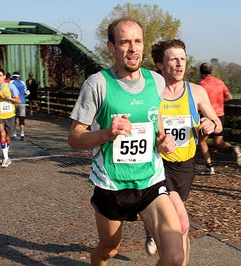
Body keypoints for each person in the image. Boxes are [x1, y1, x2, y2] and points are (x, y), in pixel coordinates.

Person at [67, 17, 184, 266]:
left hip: (151, 179)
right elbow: (75, 138)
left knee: (175, 258)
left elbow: (156, 122)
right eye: (124, 42)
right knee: (108, 249)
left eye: (138, 41)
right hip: (111, 183)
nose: (133, 48)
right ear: (111, 47)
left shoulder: (156, 81)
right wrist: (107, 134)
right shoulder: (97, 84)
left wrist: (164, 140)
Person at [141, 39, 222, 263]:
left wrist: (210, 124)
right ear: (159, 64)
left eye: (183, 59)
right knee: (182, 223)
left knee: (176, 219)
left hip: (186, 166)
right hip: (158, 165)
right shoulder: (151, 93)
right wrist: (157, 140)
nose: (179, 64)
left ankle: (154, 227)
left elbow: (218, 123)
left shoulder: (196, 92)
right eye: (173, 59)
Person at [197, 63, 241, 175]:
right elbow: (229, 96)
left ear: (201, 72)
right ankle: (233, 147)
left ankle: (209, 166)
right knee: (219, 143)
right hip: (220, 115)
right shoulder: (219, 82)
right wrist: (219, 102)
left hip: (207, 116)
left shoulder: (202, 84)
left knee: (202, 141)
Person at [10, 71, 29, 139]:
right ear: (19, 76)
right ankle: (22, 133)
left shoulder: (10, 83)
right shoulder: (23, 83)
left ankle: (14, 133)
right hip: (22, 102)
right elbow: (26, 92)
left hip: (13, 103)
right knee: (22, 119)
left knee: (13, 119)